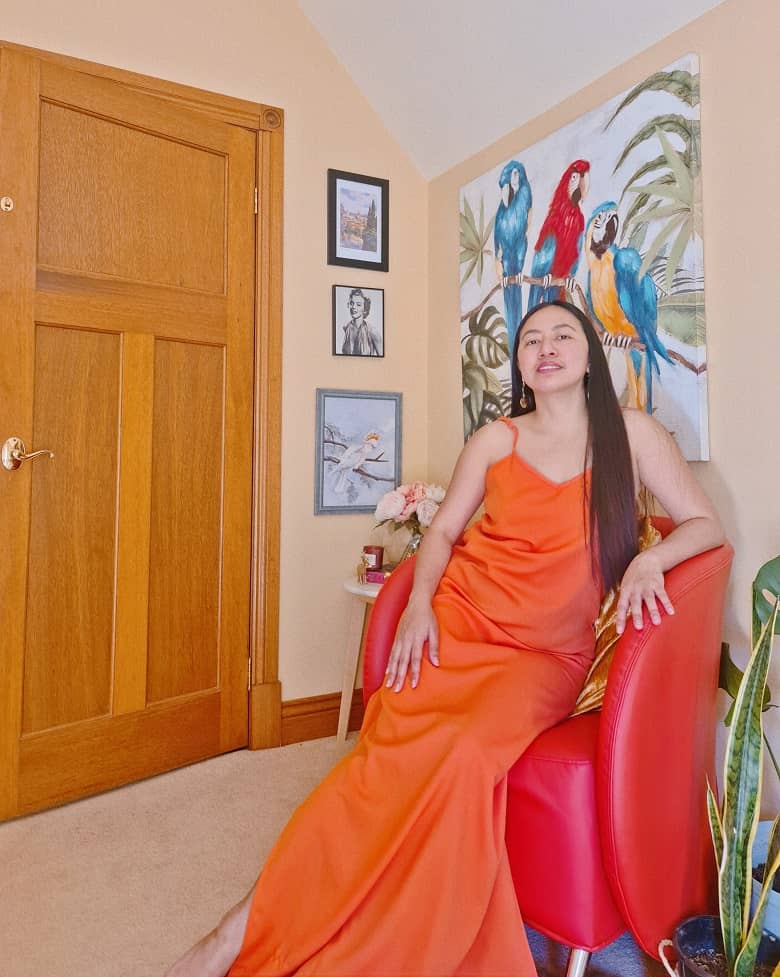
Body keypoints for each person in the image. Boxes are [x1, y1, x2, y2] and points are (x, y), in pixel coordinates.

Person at [164, 299, 724, 977]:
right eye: (531, 340)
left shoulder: (631, 434)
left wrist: (650, 559)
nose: (546, 347)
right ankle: (235, 933)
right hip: (460, 622)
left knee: (465, 750)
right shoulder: (495, 440)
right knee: (380, 761)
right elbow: (443, 533)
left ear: (588, 357)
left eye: (562, 335)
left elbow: (704, 524)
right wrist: (417, 608)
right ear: (521, 365)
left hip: (546, 657)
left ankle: (387, 936)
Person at [341, 288, 382, 356]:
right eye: (352, 303)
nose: (353, 307)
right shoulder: (346, 327)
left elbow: (383, 358)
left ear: (365, 309)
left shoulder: (373, 332)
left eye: (358, 304)